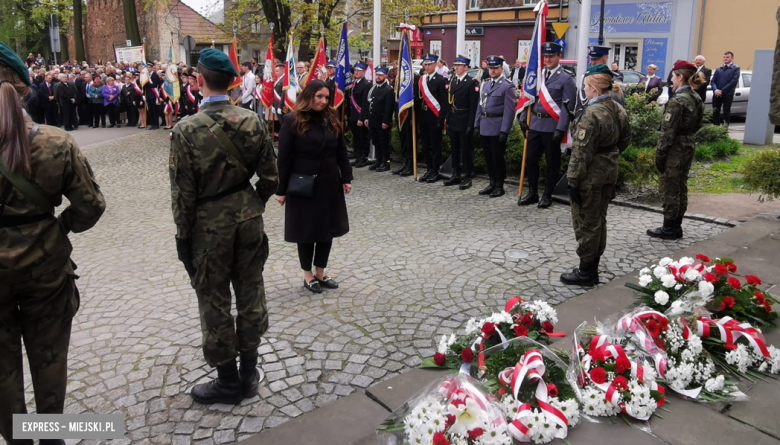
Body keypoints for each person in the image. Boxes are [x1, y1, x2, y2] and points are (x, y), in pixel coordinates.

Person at [0, 41, 105, 444]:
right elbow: (91, 206)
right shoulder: (56, 142)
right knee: (49, 359)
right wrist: (60, 227)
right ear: (25, 89)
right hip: (46, 267)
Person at [169, 48, 279, 404]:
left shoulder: (186, 129)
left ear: (199, 81)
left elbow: (183, 193)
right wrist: (250, 204)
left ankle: (229, 382)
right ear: (233, 82)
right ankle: (249, 373)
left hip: (208, 226)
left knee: (214, 299)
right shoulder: (252, 120)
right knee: (250, 293)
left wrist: (183, 237)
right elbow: (270, 178)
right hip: (248, 222)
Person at [274, 80, 353, 294]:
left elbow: (341, 151)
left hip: (329, 184)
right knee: (307, 230)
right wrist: (281, 190)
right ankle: (307, 275)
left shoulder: (331, 119)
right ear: (309, 96)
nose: (323, 101)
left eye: (326, 97)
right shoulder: (292, 120)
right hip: (303, 185)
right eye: (319, 96)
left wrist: (346, 177)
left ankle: (320, 271)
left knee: (326, 230)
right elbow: (284, 159)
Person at [559, 65, 631, 286]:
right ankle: (592, 267)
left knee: (586, 223)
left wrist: (572, 181)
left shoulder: (591, 113)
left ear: (593, 88)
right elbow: (625, 140)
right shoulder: (618, 108)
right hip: (609, 172)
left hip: (590, 176)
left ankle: (586, 272)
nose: (584, 89)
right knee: (599, 220)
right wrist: (608, 154)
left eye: (585, 86)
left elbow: (581, 153)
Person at [647, 60, 705, 240]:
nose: (671, 79)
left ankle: (669, 228)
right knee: (681, 185)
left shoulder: (678, 100)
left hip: (675, 148)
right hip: (688, 144)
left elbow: (667, 132)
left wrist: (660, 154)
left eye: (673, 76)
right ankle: (676, 225)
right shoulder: (695, 97)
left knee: (670, 187)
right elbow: (698, 124)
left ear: (680, 77)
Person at [518, 42, 576, 207]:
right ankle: (533, 192)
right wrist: (523, 117)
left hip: (552, 126)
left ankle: (547, 194)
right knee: (530, 159)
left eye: (552, 56)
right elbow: (529, 98)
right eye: (546, 56)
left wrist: (561, 128)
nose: (548, 59)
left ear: (559, 57)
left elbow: (567, 106)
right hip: (535, 123)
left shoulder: (566, 78)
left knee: (552, 162)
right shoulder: (537, 76)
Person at [475, 55, 517, 197]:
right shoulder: (486, 84)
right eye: (490, 68)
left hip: (497, 127)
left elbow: (509, 111)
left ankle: (499, 185)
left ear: (501, 68)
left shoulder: (507, 86)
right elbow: (480, 106)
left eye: (495, 68)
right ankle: (491, 182)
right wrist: (477, 124)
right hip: (485, 125)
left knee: (498, 158)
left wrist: (505, 130)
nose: (492, 70)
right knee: (488, 157)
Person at [444, 55, 479, 189]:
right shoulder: (453, 81)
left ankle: (467, 175)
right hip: (453, 119)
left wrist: (471, 124)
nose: (456, 67)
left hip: (464, 120)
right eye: (456, 65)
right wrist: (447, 120)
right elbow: (448, 103)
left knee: (466, 150)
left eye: (459, 65)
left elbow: (474, 106)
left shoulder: (471, 83)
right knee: (454, 149)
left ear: (466, 67)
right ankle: (456, 173)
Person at [418, 54, 449, 183]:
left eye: (429, 64)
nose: (427, 66)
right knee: (426, 145)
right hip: (424, 117)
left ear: (436, 64)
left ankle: (435, 170)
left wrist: (440, 120)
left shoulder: (441, 80)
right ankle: (429, 168)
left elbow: (444, 102)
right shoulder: (422, 79)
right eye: (425, 64)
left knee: (435, 145)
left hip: (435, 117)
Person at [574, 45, 625, 119]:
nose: (593, 62)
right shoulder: (585, 77)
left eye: (596, 59)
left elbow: (618, 110)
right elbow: (579, 105)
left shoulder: (614, 79)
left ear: (606, 58)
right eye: (591, 59)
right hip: (586, 121)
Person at [362, 67, 395, 172]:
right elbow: (369, 104)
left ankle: (386, 162)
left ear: (385, 76)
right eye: (377, 75)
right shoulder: (374, 88)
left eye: (380, 75)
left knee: (384, 143)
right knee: (376, 142)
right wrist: (367, 117)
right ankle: (379, 160)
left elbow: (388, 108)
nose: (378, 77)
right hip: (373, 121)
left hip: (382, 121)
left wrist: (386, 121)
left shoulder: (388, 90)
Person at [347, 62, 371, 167]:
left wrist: (362, 118)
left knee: (362, 138)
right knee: (356, 137)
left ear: (364, 72)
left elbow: (365, 103)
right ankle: (358, 155)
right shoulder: (354, 83)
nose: (356, 72)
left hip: (360, 115)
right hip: (353, 115)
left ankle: (364, 157)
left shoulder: (366, 84)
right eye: (355, 71)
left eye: (359, 71)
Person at [710, 51, 740, 126]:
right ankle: (715, 128)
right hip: (717, 93)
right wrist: (715, 89)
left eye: (727, 57)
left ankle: (724, 129)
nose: (725, 58)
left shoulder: (736, 68)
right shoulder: (718, 68)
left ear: (732, 58)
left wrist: (722, 90)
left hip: (728, 93)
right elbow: (713, 81)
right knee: (715, 110)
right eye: (724, 57)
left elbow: (733, 81)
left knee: (726, 111)